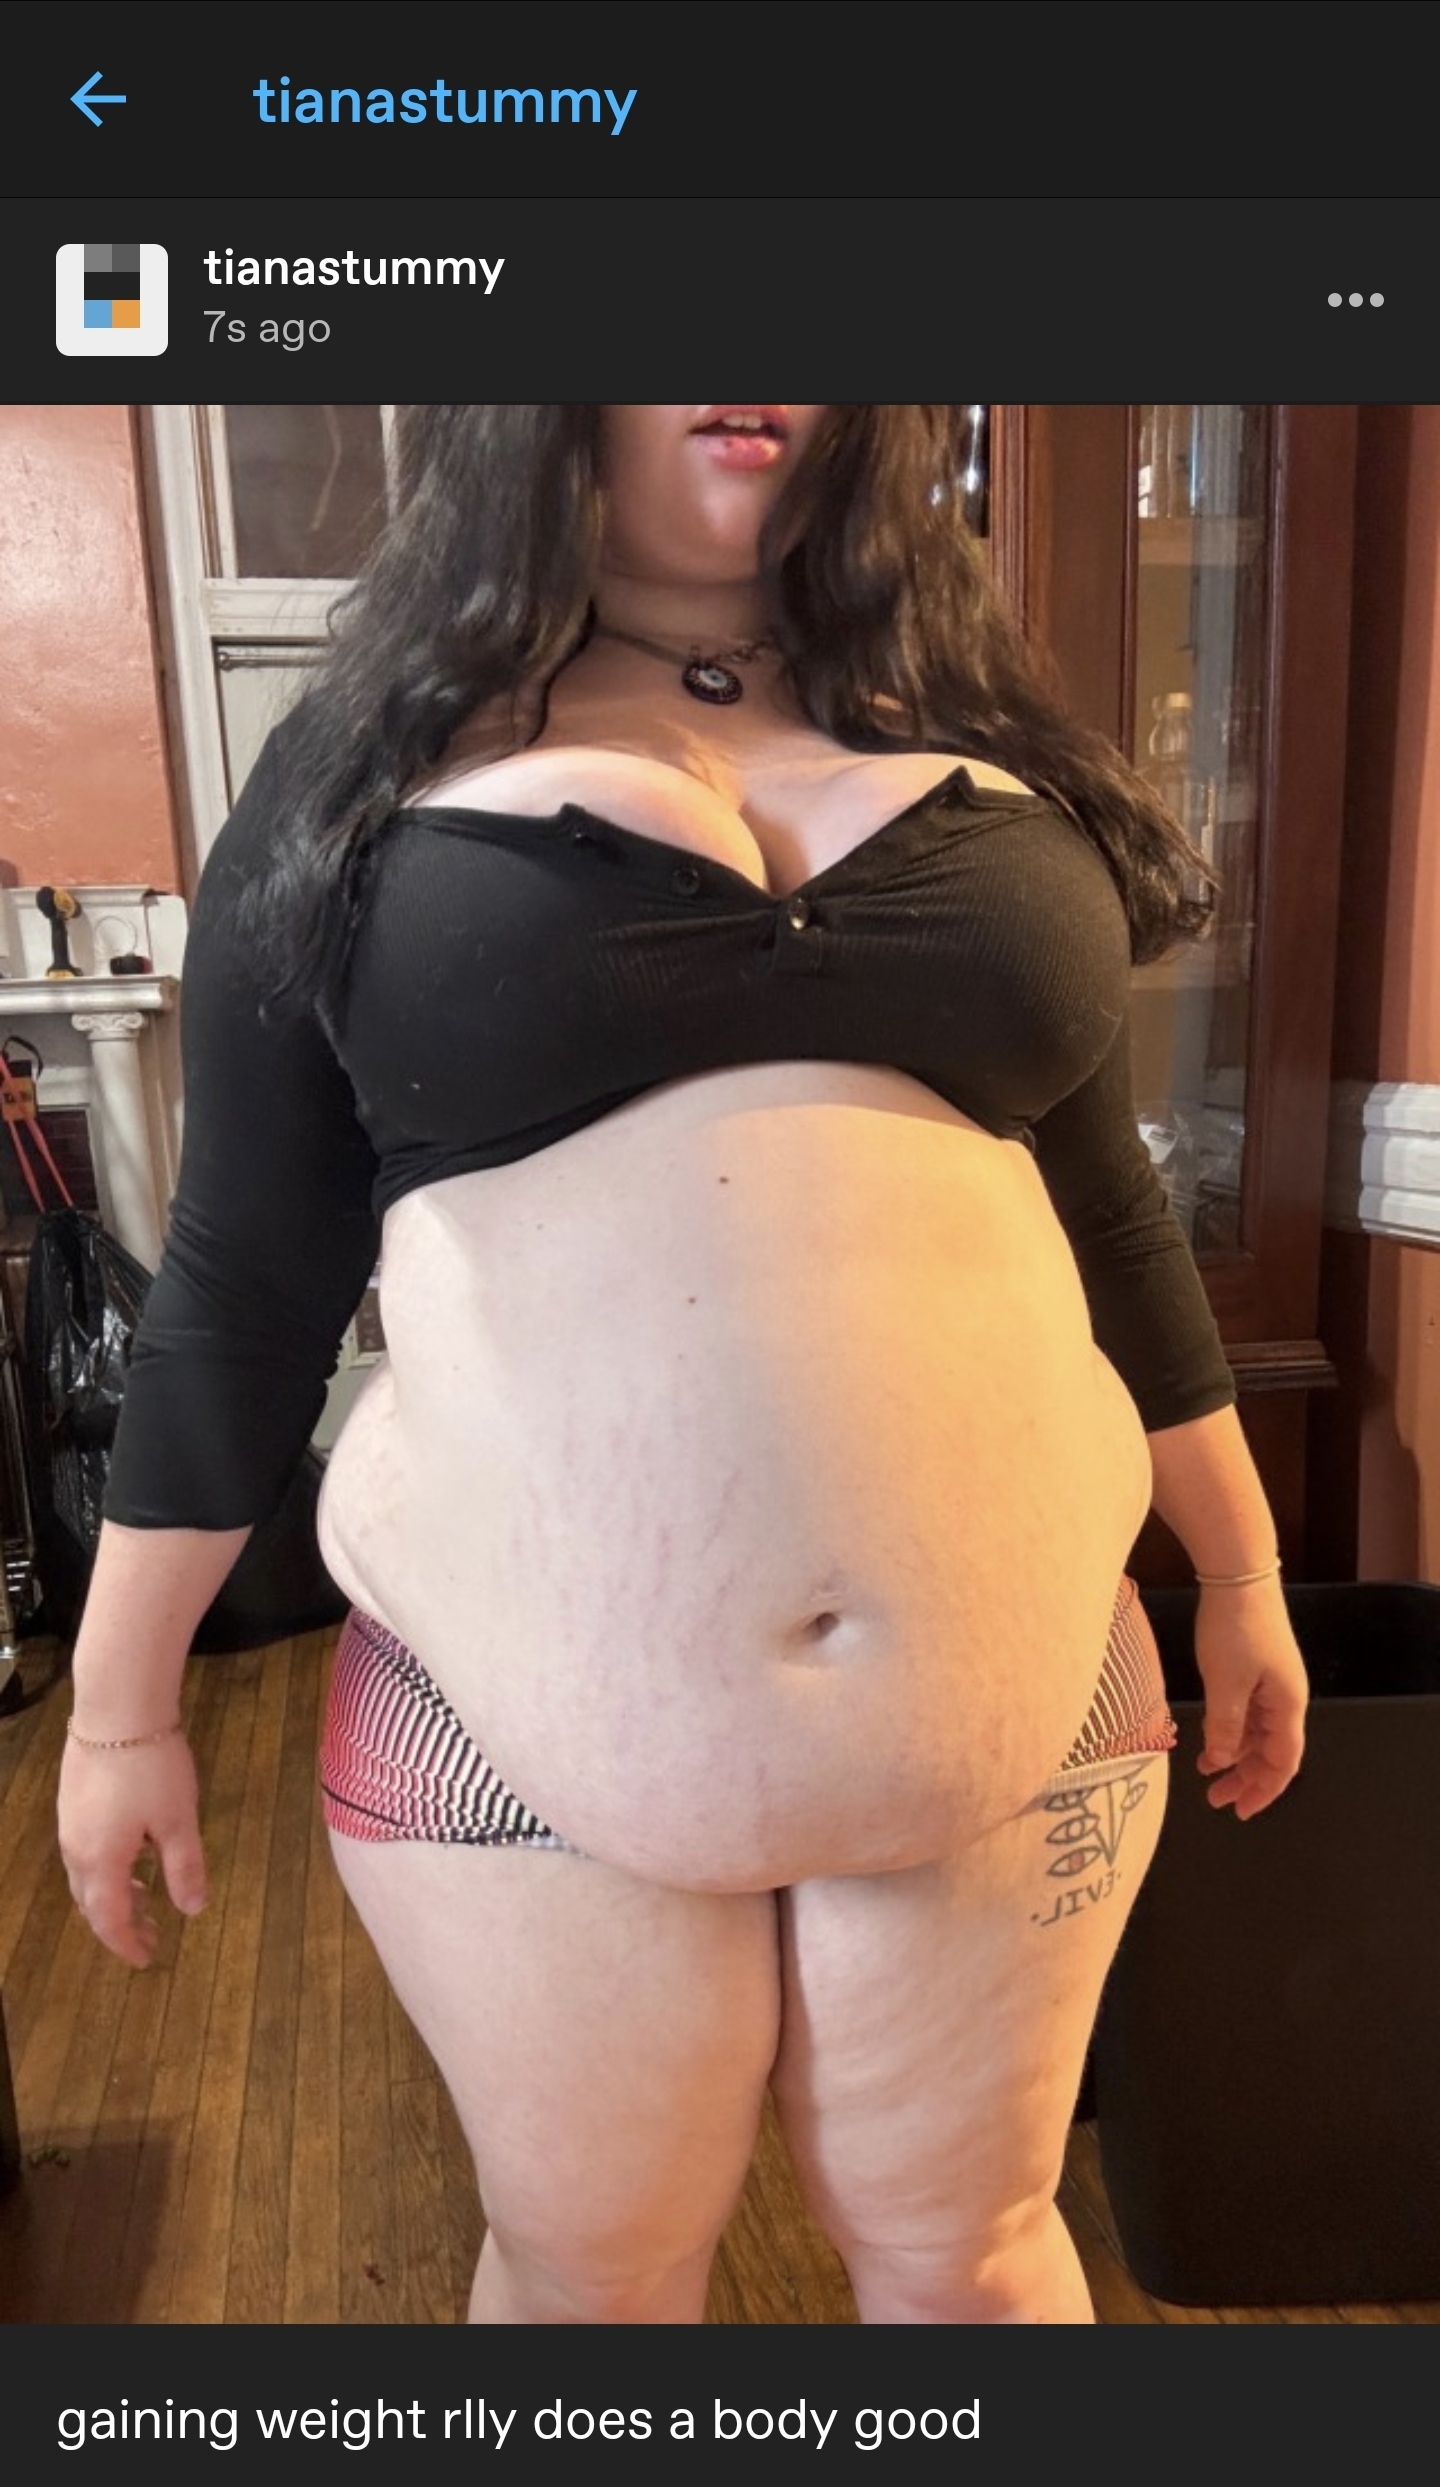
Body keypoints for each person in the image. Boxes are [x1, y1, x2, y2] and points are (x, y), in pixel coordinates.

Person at [57, 404, 1308, 2325]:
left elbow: (1114, 1222)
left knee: (975, 2251)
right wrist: (119, 1711)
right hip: (509, 1706)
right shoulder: (371, 762)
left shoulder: (975, 726)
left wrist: (1242, 1566)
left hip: (1031, 1675)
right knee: (597, 2280)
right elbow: (243, 1276)